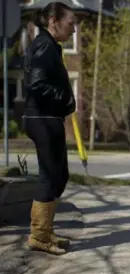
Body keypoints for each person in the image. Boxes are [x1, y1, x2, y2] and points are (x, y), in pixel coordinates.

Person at [23, 1, 77, 255]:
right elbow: (36, 85)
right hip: (41, 119)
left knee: (60, 175)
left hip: (48, 119)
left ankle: (46, 230)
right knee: (49, 175)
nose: (74, 30)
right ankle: (39, 235)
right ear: (53, 21)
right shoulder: (44, 46)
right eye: (71, 24)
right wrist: (65, 99)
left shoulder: (49, 46)